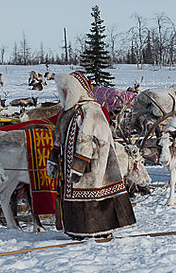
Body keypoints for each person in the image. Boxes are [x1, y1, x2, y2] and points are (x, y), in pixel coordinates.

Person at [47, 72, 136, 239]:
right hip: (71, 167)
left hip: (92, 166)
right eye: (62, 90)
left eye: (68, 90)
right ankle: (78, 231)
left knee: (93, 194)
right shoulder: (68, 112)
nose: (65, 94)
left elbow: (91, 140)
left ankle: (97, 230)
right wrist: (54, 157)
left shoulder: (91, 110)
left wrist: (79, 164)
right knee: (76, 195)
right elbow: (59, 137)